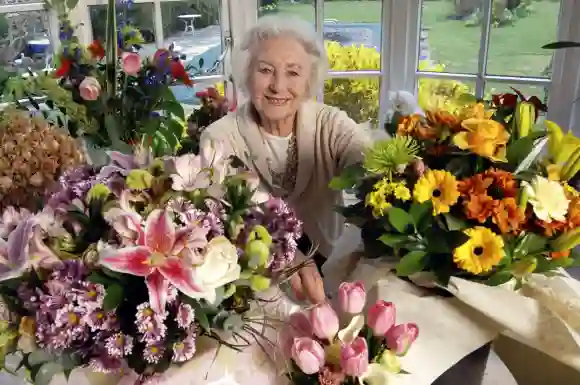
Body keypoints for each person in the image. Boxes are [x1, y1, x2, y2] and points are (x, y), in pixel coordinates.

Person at [200, 15, 371, 304]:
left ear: (309, 80)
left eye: (293, 72)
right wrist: (288, 255)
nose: (278, 86)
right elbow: (229, 222)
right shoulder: (219, 138)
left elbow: (364, 157)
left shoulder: (329, 124)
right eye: (265, 70)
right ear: (246, 74)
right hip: (255, 286)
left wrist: (390, 171)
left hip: (333, 276)